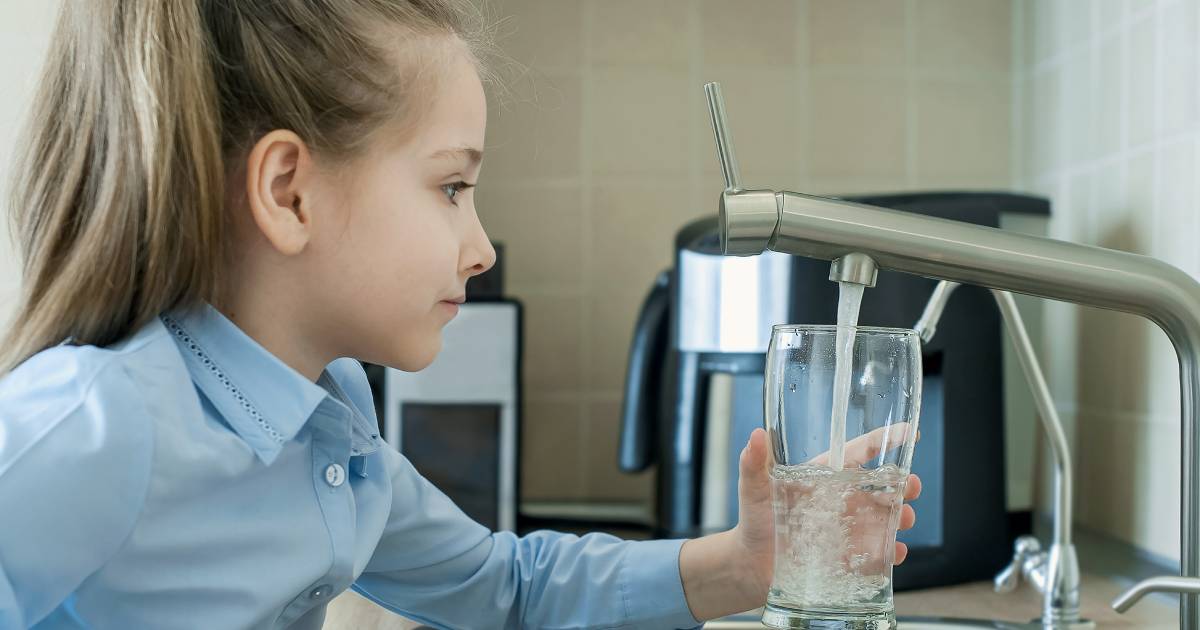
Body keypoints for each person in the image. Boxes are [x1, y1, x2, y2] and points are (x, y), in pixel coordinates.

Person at [0, 1, 921, 628]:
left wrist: (741, 567)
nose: (480, 248)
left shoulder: (332, 430)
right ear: (289, 193)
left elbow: (501, 586)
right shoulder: (99, 424)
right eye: (451, 187)